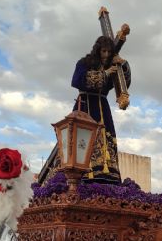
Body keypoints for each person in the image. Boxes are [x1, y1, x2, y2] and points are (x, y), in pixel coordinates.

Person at [42, 35, 132, 185]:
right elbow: (77, 80)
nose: (106, 55)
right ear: (98, 50)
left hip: (102, 107)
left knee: (105, 140)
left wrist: (123, 65)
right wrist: (104, 74)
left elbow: (122, 83)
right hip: (85, 106)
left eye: (109, 52)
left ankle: (106, 177)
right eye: (103, 51)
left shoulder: (111, 65)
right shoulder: (84, 63)